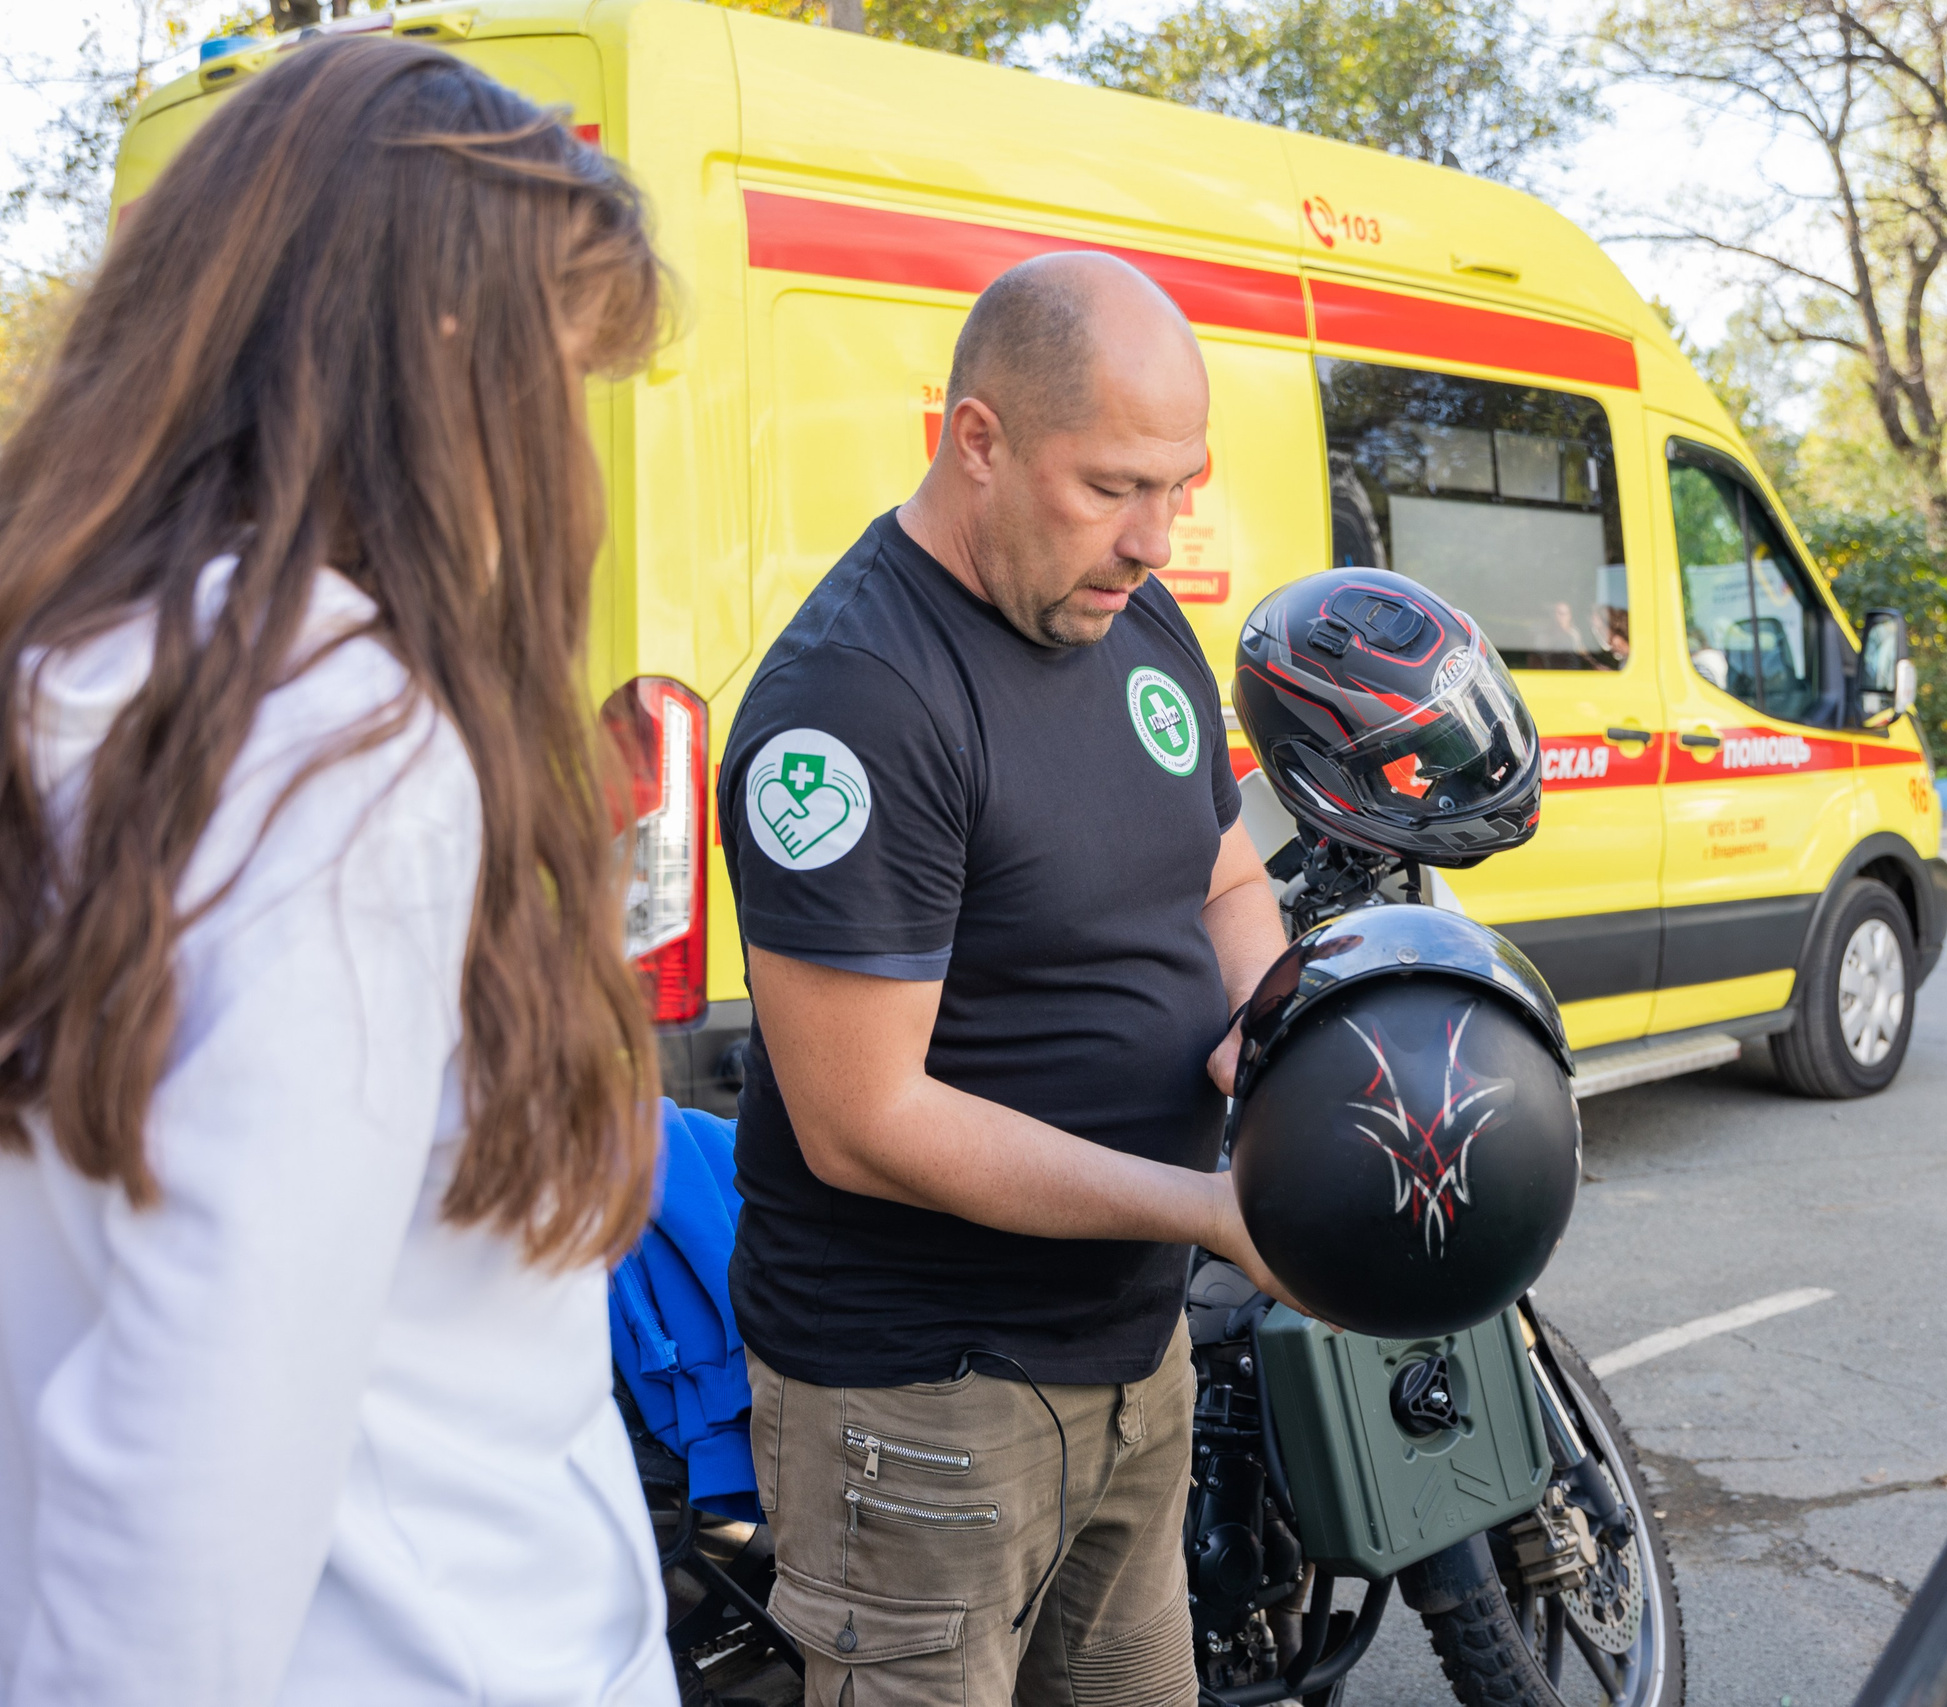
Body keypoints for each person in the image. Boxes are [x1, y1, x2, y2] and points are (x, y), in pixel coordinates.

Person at [0, 40, 676, 1706]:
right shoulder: (345, 744)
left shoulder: (83, 679)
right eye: (561, 384)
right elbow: (197, 1435)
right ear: (439, 363)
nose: (570, 468)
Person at [719, 251, 1291, 1707]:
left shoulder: (1129, 611)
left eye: (1180, 484)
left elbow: (1222, 873)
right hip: (925, 1403)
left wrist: (1282, 1049)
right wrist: (1217, 1212)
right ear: (976, 438)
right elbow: (867, 1117)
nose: (1156, 536)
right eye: (1111, 485)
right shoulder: (854, 701)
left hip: (1132, 1358)